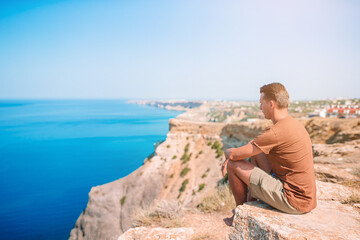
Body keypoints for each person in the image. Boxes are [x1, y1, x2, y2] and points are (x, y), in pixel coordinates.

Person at [222, 82, 316, 226]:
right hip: (305, 198)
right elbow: (253, 148)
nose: (260, 107)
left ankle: (240, 217)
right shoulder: (293, 124)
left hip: (293, 200)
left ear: (271, 104)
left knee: (234, 164)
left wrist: (227, 154)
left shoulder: (275, 131)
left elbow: (234, 155)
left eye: (261, 103)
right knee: (257, 153)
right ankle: (250, 205)